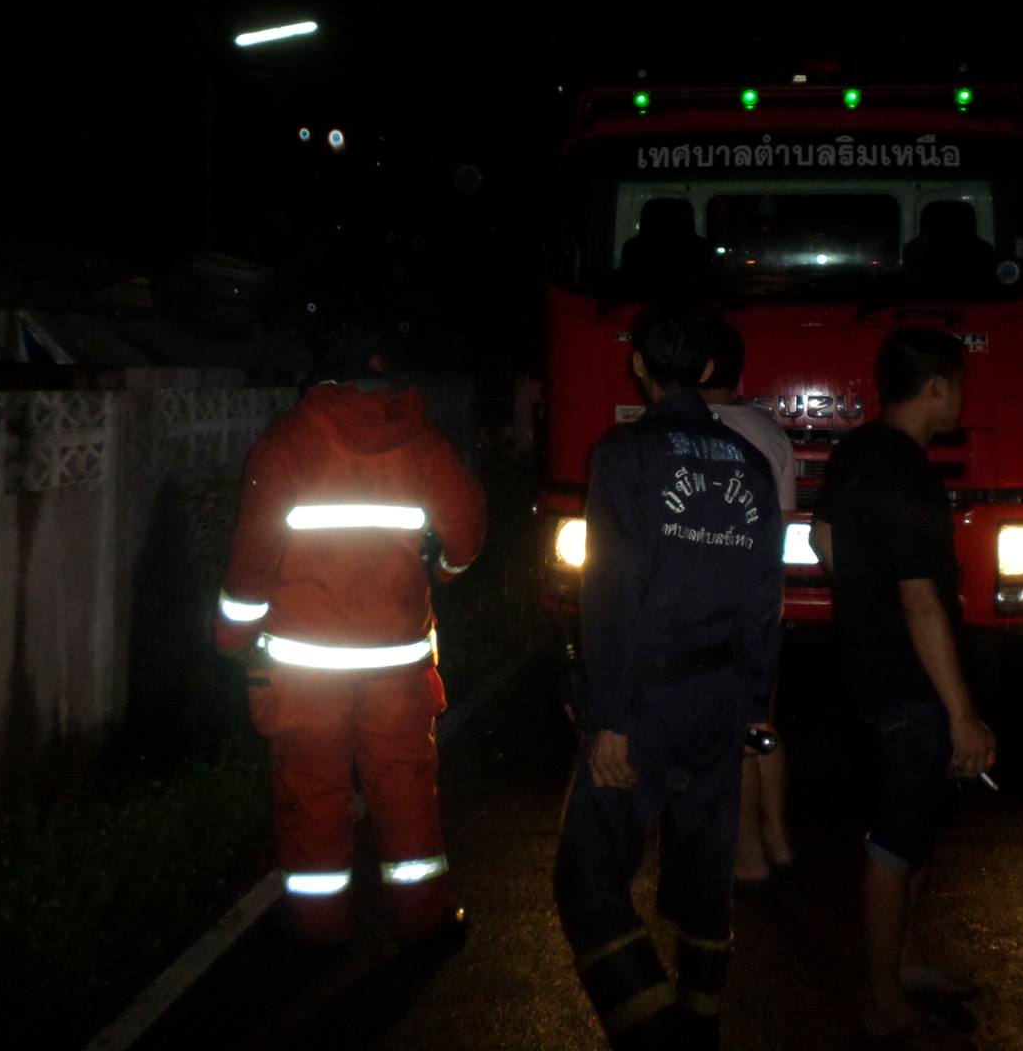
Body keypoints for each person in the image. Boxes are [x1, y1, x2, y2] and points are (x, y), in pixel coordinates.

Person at [553, 304, 785, 1051]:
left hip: (646, 699)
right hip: (721, 699)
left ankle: (656, 1038)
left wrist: (609, 716)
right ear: (710, 369)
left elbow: (610, 594)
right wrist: (755, 703)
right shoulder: (750, 464)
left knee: (588, 878)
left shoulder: (625, 455)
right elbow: (765, 595)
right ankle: (700, 1025)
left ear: (639, 367)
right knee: (703, 876)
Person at [214, 335, 487, 946]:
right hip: (399, 669)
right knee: (406, 788)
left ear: (322, 377)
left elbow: (252, 560)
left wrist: (231, 636)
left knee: (312, 794)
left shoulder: (285, 443)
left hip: (304, 675)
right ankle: (424, 921)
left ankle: (318, 930)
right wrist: (443, 571)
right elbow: (467, 531)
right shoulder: (422, 442)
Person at [813, 328, 994, 1050]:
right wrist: (964, 713)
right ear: (937, 387)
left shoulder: (855, 449)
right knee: (896, 839)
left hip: (869, 667)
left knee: (915, 826)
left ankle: (902, 964)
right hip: (912, 681)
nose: (962, 397)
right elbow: (922, 602)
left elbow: (823, 542)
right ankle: (883, 1001)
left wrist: (864, 596)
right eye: (959, 384)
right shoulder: (909, 471)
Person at [699, 317, 800, 889]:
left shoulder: (691, 431)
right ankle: (778, 838)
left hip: (713, 607)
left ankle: (748, 858)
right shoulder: (770, 432)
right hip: (764, 602)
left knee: (728, 731)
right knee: (762, 722)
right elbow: (780, 526)